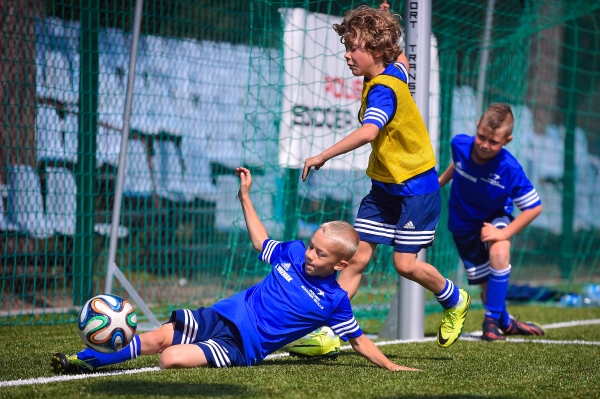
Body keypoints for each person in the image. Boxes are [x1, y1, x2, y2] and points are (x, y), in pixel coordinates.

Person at [51, 167, 418, 373]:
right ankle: (84, 360)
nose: (309, 255)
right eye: (311, 246)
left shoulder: (335, 300)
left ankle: (184, 349)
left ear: (338, 265)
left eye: (319, 255)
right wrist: (245, 197)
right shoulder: (290, 253)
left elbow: (359, 340)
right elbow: (261, 242)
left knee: (170, 358)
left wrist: (391, 366)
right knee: (159, 338)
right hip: (223, 314)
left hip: (243, 345)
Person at [294, 4, 470, 357]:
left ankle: (455, 298)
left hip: (416, 188)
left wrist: (322, 155)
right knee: (356, 258)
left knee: (404, 264)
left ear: (375, 51)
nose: (346, 55)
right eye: (345, 46)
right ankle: (331, 332)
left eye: (352, 47)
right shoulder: (394, 71)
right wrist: (384, 19)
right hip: (384, 186)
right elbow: (402, 56)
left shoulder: (383, 90)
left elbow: (369, 131)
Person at [438, 103, 545, 342]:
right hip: (462, 223)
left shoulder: (510, 169)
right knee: (488, 290)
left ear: (507, 140)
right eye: (482, 137)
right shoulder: (459, 144)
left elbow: (534, 207)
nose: (485, 145)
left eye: (493, 142)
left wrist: (503, 233)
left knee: (499, 253)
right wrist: (437, 184)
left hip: (496, 217)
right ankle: (506, 322)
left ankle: (491, 324)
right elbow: (457, 164)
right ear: (477, 128)